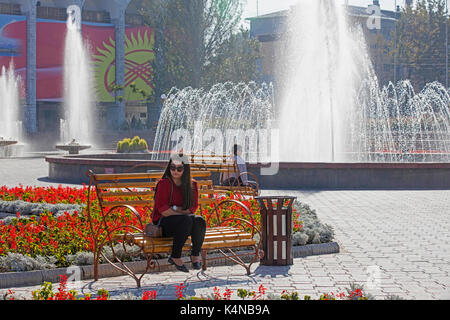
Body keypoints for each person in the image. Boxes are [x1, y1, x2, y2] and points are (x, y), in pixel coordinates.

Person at [152, 153, 206, 272]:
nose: (175, 171)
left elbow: (193, 208)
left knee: (200, 221)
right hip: (163, 224)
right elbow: (163, 210)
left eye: (179, 168)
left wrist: (175, 209)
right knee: (187, 219)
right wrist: (182, 212)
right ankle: (175, 256)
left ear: (185, 169)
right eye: (172, 167)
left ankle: (195, 255)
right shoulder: (163, 183)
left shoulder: (192, 185)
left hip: (183, 223)